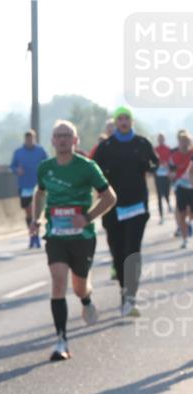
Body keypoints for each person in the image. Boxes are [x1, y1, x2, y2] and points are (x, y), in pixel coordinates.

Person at [32, 120, 117, 361]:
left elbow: (110, 197)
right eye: (58, 136)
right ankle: (61, 340)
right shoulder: (45, 168)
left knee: (79, 287)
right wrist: (36, 218)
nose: (62, 140)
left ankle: (86, 300)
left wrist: (88, 217)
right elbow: (40, 192)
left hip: (82, 237)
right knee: (58, 282)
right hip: (56, 236)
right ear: (52, 140)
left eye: (67, 136)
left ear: (75, 141)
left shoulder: (87, 167)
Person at [92, 106, 158, 317]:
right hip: (113, 208)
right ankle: (124, 291)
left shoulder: (141, 143)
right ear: (116, 122)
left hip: (137, 206)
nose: (123, 122)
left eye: (126, 119)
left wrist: (148, 166)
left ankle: (130, 298)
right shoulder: (106, 146)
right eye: (119, 119)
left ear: (131, 122)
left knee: (133, 251)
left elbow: (156, 163)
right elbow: (94, 172)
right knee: (118, 252)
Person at [10, 129, 48, 249]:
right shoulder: (18, 152)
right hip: (24, 186)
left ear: (34, 139)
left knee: (36, 211)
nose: (29, 141)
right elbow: (12, 166)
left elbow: (48, 164)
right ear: (24, 139)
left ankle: (36, 235)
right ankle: (32, 234)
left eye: (31, 138)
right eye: (27, 139)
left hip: (39, 186)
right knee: (28, 211)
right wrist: (17, 171)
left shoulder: (40, 151)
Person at [171, 130, 192, 250]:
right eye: (182, 141)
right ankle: (185, 239)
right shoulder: (174, 156)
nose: (184, 143)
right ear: (179, 142)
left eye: (186, 141)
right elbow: (171, 172)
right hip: (181, 187)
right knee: (182, 213)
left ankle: (190, 225)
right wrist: (172, 174)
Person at [153, 133, 174, 224]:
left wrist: (167, 166)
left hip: (166, 174)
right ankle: (161, 217)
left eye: (162, 138)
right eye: (159, 138)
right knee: (159, 196)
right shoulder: (155, 149)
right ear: (158, 140)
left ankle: (169, 204)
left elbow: (171, 161)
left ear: (164, 139)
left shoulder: (169, 149)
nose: (161, 140)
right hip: (158, 175)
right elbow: (152, 161)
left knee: (166, 193)